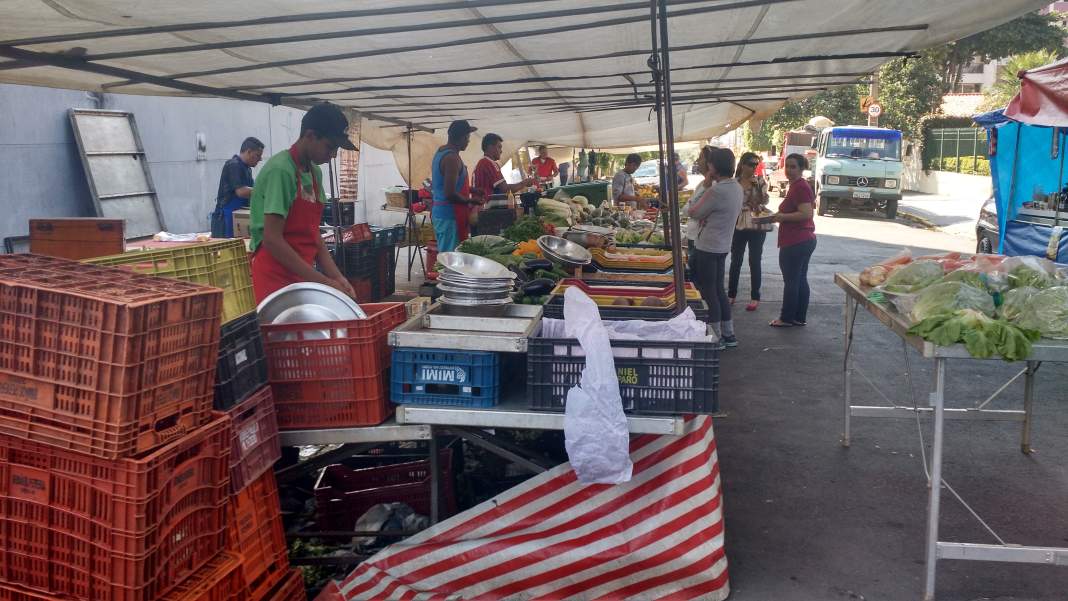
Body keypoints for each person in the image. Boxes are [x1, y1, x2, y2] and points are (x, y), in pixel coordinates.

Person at [250, 103, 355, 302]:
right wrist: (324, 283)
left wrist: (337, 277)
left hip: (302, 275)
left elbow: (313, 234)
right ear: (310, 136)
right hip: (274, 277)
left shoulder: (314, 173)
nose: (333, 155)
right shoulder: (281, 170)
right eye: (330, 147)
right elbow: (272, 239)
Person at [687, 147, 743, 348]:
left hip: (708, 246)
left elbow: (693, 211)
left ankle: (716, 336)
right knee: (719, 289)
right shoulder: (736, 187)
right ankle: (729, 334)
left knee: (710, 291)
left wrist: (705, 184)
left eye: (709, 163)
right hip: (723, 245)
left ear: (714, 166)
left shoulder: (716, 190)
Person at [768, 153, 817, 327]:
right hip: (802, 239)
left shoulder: (800, 187)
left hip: (797, 240)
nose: (789, 170)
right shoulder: (796, 186)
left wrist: (781, 217)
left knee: (792, 280)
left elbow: (806, 213)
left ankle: (787, 317)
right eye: (787, 166)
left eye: (793, 166)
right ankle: (798, 317)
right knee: (799, 279)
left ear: (801, 168)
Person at [432, 120, 485, 253]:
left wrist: (472, 190)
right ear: (461, 138)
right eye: (467, 138)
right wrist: (471, 200)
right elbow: (450, 194)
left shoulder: (441, 151)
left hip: (443, 214)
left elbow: (452, 184)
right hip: (449, 216)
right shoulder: (451, 159)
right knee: (450, 259)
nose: (468, 141)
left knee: (452, 255)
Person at [728, 152, 771, 312]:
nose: (754, 167)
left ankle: (755, 296)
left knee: (755, 260)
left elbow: (763, 200)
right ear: (742, 165)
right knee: (736, 260)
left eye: (756, 164)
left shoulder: (759, 181)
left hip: (756, 224)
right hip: (738, 224)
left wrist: (757, 187)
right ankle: (731, 294)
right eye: (751, 164)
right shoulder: (735, 182)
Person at [211, 137, 264, 238]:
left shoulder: (247, 169)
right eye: (258, 155)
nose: (260, 159)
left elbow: (252, 192)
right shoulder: (233, 165)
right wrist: (265, 191)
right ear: (248, 152)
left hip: (239, 216)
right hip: (226, 219)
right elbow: (241, 192)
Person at [472, 133, 535, 200]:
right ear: (490, 147)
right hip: (486, 207)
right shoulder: (488, 163)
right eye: (499, 147)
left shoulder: (484, 162)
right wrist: (524, 183)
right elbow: (505, 189)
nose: (501, 151)